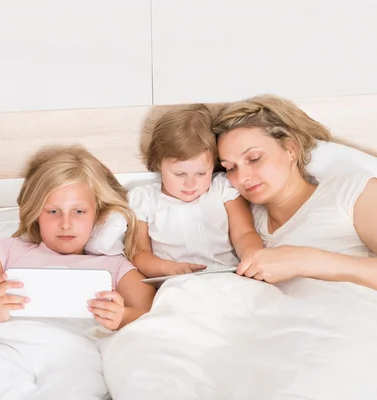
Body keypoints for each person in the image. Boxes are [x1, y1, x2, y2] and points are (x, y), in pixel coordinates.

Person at [0, 145, 156, 400]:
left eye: (78, 211)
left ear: (97, 214)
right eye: (53, 211)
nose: (65, 223)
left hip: (70, 358)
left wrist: (121, 316)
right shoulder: (9, 251)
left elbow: (156, 316)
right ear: (36, 213)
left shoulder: (114, 266)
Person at [213, 94, 377, 288]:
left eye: (254, 158)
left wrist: (304, 260)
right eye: (230, 168)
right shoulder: (243, 225)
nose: (241, 177)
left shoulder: (350, 191)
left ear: (290, 149)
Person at [130, 104, 264, 278]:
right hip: (177, 282)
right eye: (180, 174)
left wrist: (252, 256)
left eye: (201, 173)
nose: (190, 183)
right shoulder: (145, 199)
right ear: (158, 163)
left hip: (228, 277)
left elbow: (244, 232)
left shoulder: (222, 188)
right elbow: (139, 254)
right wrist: (168, 268)